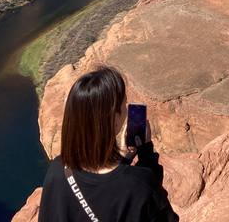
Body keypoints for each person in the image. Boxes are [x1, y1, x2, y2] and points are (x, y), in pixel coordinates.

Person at [37, 66, 177, 222]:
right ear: (115, 119)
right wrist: (146, 154)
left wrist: (123, 160)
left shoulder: (58, 170)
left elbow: (101, 191)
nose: (126, 109)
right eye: (124, 105)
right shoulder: (137, 185)